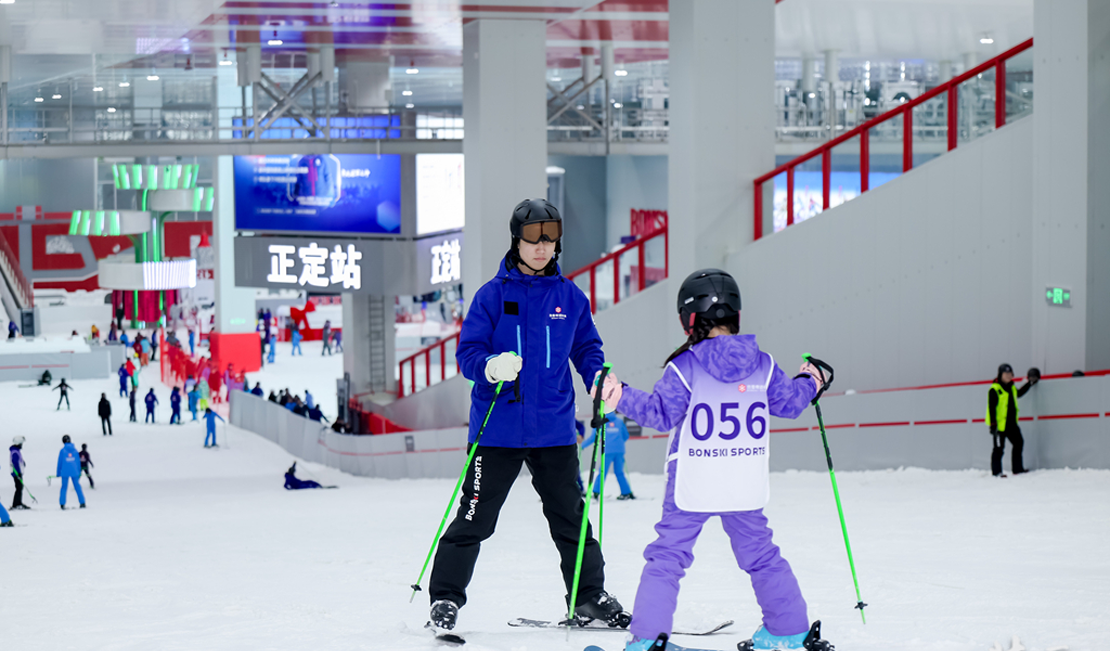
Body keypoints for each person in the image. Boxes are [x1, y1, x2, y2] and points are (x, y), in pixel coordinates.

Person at [426, 198, 627, 633]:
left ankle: (587, 596)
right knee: (475, 518)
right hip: (496, 429)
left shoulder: (570, 298)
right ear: (516, 240)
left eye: (550, 238)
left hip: (554, 430)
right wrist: (490, 366)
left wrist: (599, 379)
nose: (541, 246)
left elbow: (587, 349)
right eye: (533, 237)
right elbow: (468, 353)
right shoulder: (492, 296)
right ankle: (445, 597)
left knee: (571, 519)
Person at [606, 269, 833, 651]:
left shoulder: (686, 367)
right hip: (743, 480)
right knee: (760, 554)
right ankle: (788, 628)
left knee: (668, 557)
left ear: (688, 318)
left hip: (694, 480)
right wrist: (811, 381)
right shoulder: (763, 365)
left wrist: (618, 396)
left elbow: (660, 414)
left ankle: (647, 639)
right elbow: (790, 403)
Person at [987, 364, 1039, 477]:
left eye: (1010, 374)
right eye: (1006, 374)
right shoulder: (995, 389)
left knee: (1019, 443)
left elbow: (1019, 393)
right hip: (1000, 425)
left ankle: (1017, 468)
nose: (1008, 376)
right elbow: (991, 408)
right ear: (1000, 375)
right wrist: (993, 425)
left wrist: (1029, 383)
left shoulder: (1011, 387)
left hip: (1011, 424)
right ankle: (997, 472)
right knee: (998, 449)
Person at [580, 412, 634, 500]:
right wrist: (618, 443)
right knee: (619, 472)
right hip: (619, 450)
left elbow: (594, 437)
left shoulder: (601, 422)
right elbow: (626, 436)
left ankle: (596, 491)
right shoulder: (619, 421)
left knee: (602, 472)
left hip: (607, 450)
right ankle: (626, 492)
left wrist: (582, 446)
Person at [56, 435, 86, 510]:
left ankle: (62, 503)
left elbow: (60, 462)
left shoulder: (62, 451)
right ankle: (82, 502)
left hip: (65, 471)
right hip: (74, 471)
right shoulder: (75, 450)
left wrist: (58, 472)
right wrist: (79, 471)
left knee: (64, 487)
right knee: (77, 486)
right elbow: (78, 462)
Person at [10, 436, 27, 510]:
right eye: (21, 444)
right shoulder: (15, 452)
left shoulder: (16, 451)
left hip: (18, 473)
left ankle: (18, 503)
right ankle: (16, 504)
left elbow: (18, 461)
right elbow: (15, 463)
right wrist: (17, 474)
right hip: (17, 473)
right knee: (19, 488)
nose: (22, 445)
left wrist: (23, 463)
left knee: (20, 487)